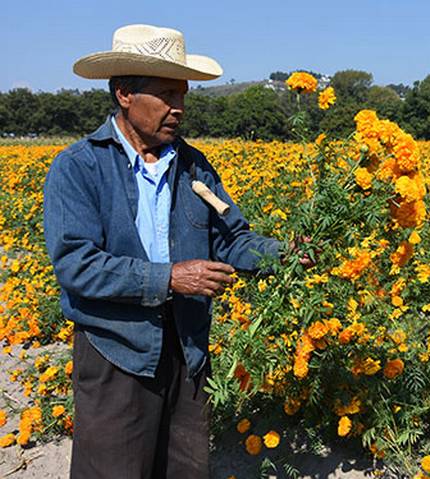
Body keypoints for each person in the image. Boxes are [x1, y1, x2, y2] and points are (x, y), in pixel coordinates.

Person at [43, 24, 297, 478]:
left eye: (182, 95)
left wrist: (288, 254)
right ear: (123, 93)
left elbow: (231, 239)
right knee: (114, 469)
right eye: (165, 95)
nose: (178, 108)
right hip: (115, 350)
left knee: (184, 468)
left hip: (187, 345)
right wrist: (170, 278)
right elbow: (76, 265)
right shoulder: (79, 166)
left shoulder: (194, 165)